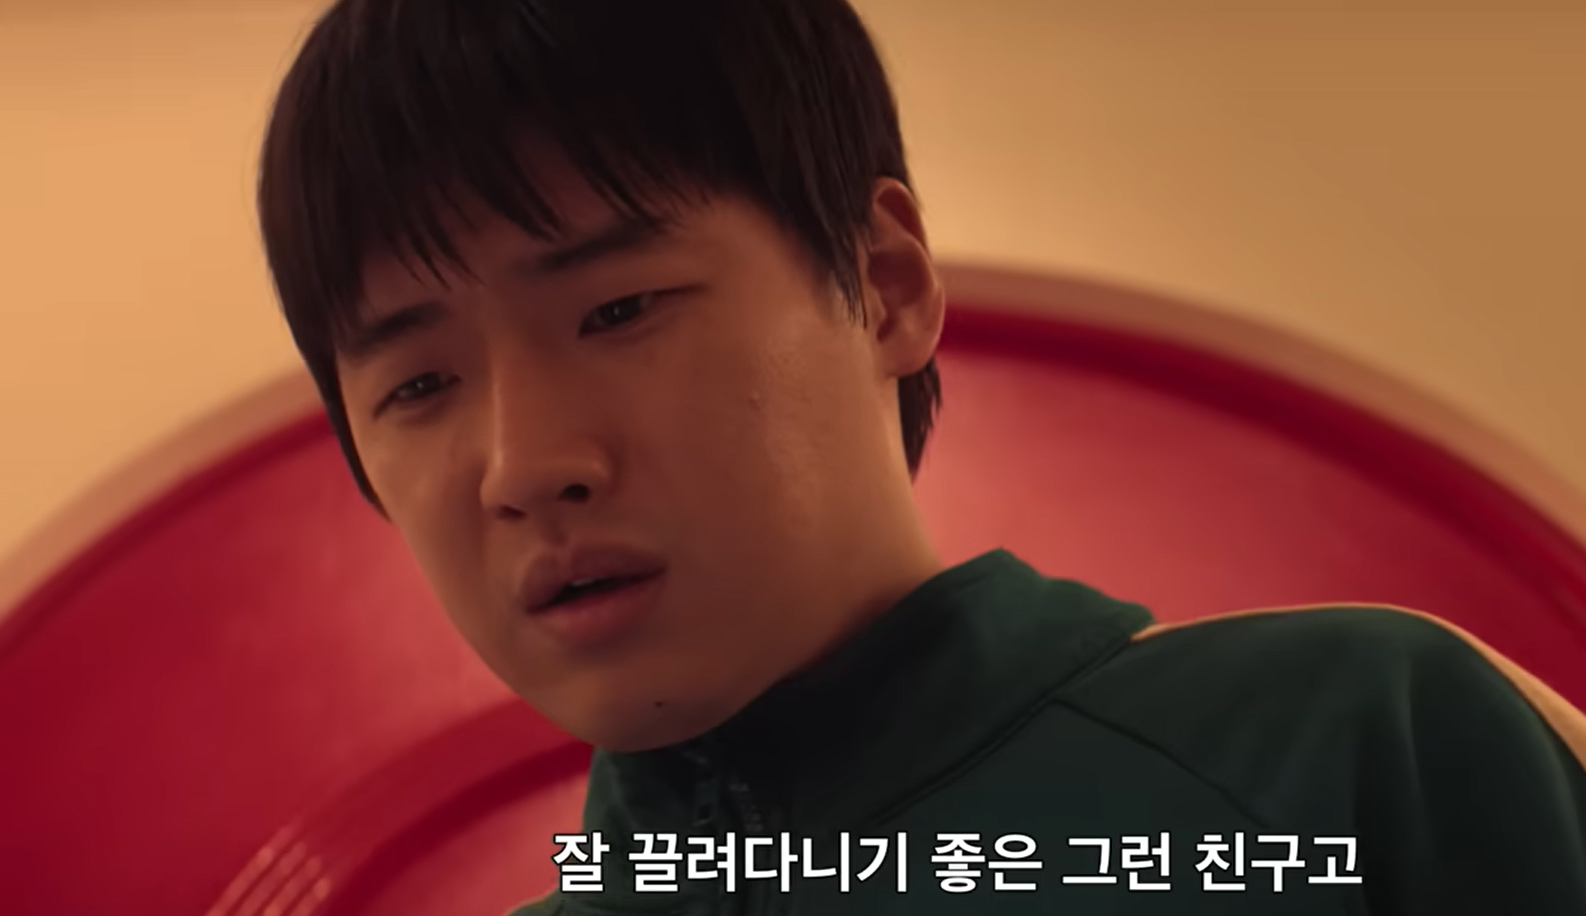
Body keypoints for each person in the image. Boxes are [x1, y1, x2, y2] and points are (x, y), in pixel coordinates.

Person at [256, 0, 1586, 912]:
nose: (525, 462)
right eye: (417, 383)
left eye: (619, 310)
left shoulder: (1351, 753)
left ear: (884, 284)